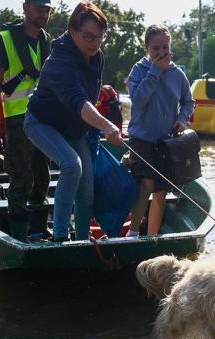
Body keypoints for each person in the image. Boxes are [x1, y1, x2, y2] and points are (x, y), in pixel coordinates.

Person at [24, 1, 122, 242]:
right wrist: (106, 125)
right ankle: (60, 238)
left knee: (86, 187)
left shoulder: (96, 56)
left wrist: (93, 130)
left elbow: (90, 94)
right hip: (41, 122)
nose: (95, 43)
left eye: (100, 37)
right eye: (88, 36)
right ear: (72, 30)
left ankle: (81, 240)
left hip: (74, 128)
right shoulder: (59, 61)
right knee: (71, 164)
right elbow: (78, 102)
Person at [0, 0, 53, 241]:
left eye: (47, 9)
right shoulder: (5, 40)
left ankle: (38, 228)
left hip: (43, 119)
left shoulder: (47, 41)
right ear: (25, 8)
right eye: (39, 8)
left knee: (42, 176)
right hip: (16, 121)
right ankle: (18, 233)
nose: (43, 13)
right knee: (21, 177)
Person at [125, 24, 195, 237]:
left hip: (166, 142)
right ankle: (133, 233)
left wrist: (183, 119)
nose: (162, 53)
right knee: (146, 184)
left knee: (161, 192)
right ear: (147, 48)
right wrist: (155, 71)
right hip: (141, 139)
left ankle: (153, 238)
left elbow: (188, 101)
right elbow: (138, 101)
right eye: (156, 48)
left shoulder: (177, 74)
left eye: (165, 47)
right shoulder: (139, 70)